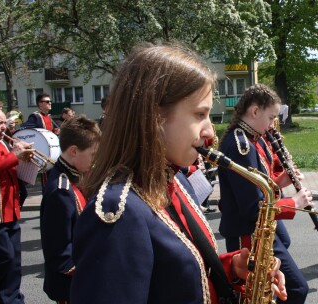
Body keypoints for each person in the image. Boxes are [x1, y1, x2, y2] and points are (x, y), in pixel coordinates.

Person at [70, 44, 286, 303]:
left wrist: (230, 268)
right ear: (154, 116)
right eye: (200, 115)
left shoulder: (175, 179)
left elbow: (172, 276)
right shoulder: (118, 213)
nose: (209, 133)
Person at [218, 84, 313, 304]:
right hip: (247, 232)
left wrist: (281, 181)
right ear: (254, 111)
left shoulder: (255, 138)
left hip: (257, 227)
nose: (273, 125)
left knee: (280, 257)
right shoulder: (241, 146)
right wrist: (293, 202)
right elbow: (252, 208)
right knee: (296, 289)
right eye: (271, 118)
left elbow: (260, 185)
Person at [40, 115, 101, 303]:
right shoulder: (61, 190)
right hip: (72, 286)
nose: (95, 160)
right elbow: (60, 255)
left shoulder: (74, 174)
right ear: (74, 151)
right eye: (93, 155)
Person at [0, 107, 33, 303]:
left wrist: (25, 159)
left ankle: (12, 301)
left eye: (4, 122)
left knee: (13, 263)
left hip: (10, 212)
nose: (4, 127)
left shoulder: (3, 143)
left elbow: (9, 170)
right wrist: (14, 155)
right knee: (0, 258)